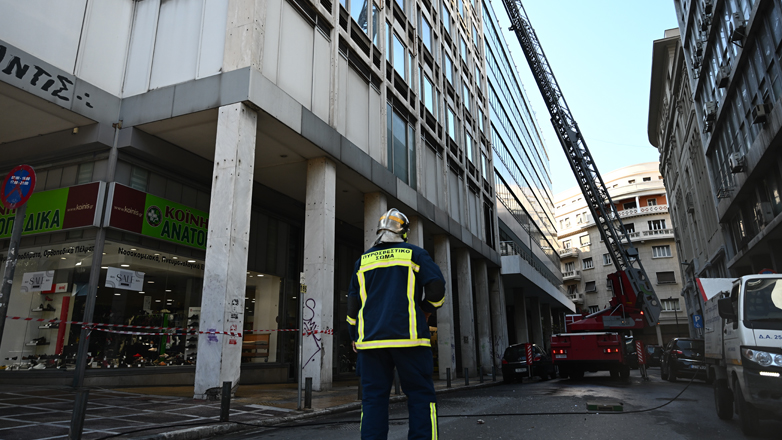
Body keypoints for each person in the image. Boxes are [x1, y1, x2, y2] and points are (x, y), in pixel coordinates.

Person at [347, 208, 446, 440]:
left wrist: (354, 334)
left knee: (373, 400)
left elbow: (353, 305)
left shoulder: (363, 261)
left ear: (379, 231)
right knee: (421, 397)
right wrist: (426, 310)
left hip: (371, 343)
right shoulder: (415, 254)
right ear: (404, 233)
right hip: (410, 339)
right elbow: (436, 287)